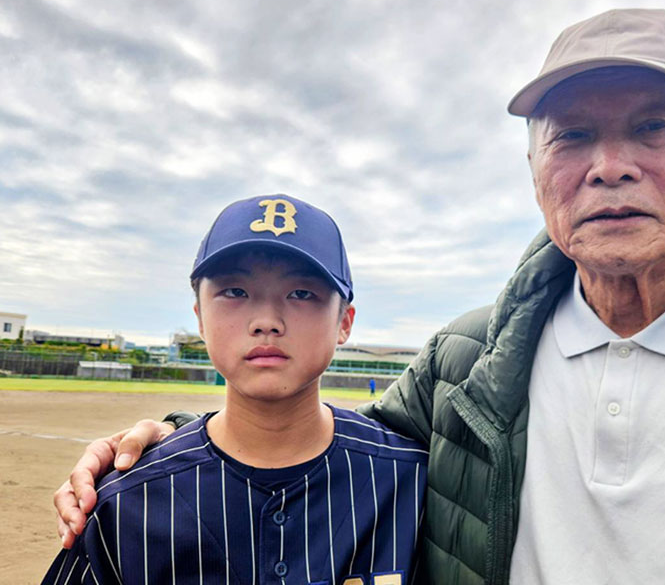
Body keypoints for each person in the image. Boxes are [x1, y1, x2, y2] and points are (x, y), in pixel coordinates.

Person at [54, 10, 665, 585]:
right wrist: (160, 440)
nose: (610, 165)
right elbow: (300, 431)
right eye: (571, 135)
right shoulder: (465, 364)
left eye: (653, 126)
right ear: (536, 172)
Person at [45, 194, 426, 584]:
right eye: (235, 292)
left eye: (301, 293)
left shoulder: (414, 482)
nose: (266, 321)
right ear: (200, 318)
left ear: (344, 321)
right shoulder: (125, 501)